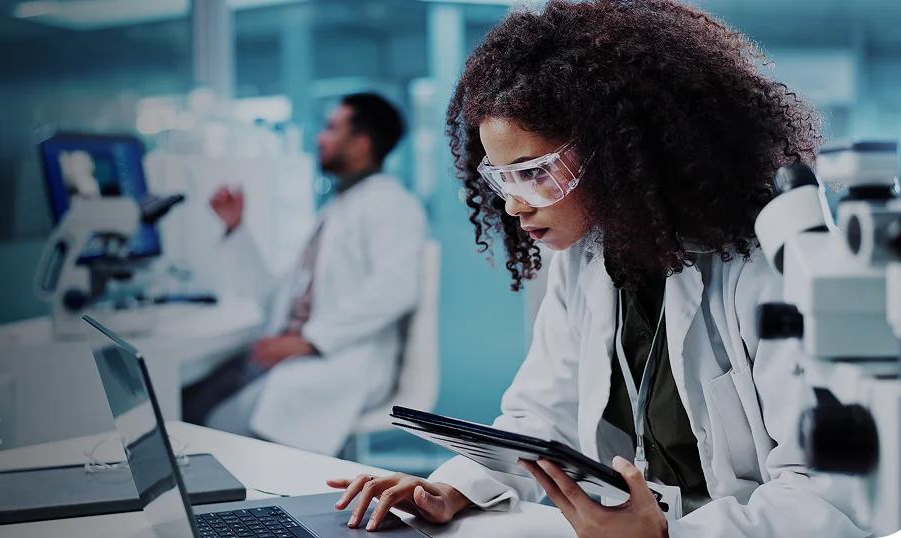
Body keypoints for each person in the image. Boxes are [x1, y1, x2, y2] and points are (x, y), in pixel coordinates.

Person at [327, 1, 868, 537]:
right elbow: (541, 417)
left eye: (536, 173)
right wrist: (453, 487)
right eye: (503, 178)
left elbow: (830, 492)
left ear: (618, 153)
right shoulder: (587, 257)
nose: (516, 205)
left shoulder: (766, 263)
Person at [181, 92, 428, 457]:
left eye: (331, 128)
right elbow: (279, 294)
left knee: (215, 427)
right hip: (301, 354)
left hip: (340, 362)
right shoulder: (338, 208)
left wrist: (309, 339)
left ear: (361, 144)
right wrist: (237, 230)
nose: (320, 138)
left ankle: (228, 511)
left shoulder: (390, 203)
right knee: (188, 402)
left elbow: (395, 288)